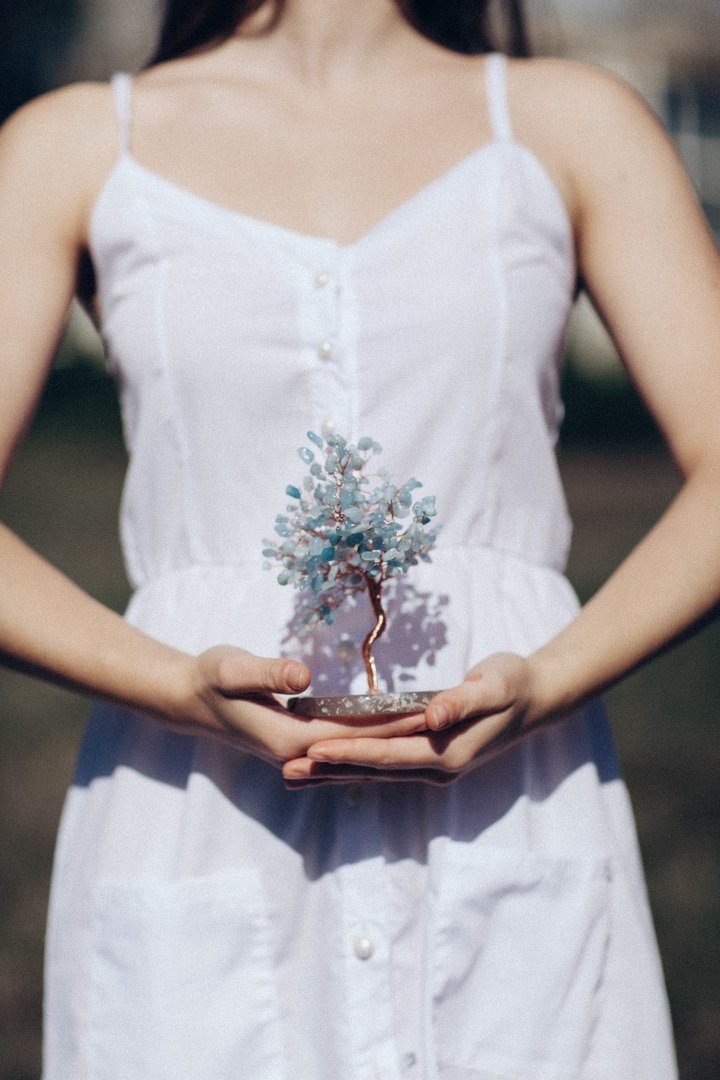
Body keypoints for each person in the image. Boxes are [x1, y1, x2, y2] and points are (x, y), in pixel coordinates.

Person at [4, 0, 719, 1075]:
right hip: (196, 820)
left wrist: (548, 681)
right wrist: (172, 684)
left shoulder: (570, 126)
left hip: (516, 812)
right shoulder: (78, 143)